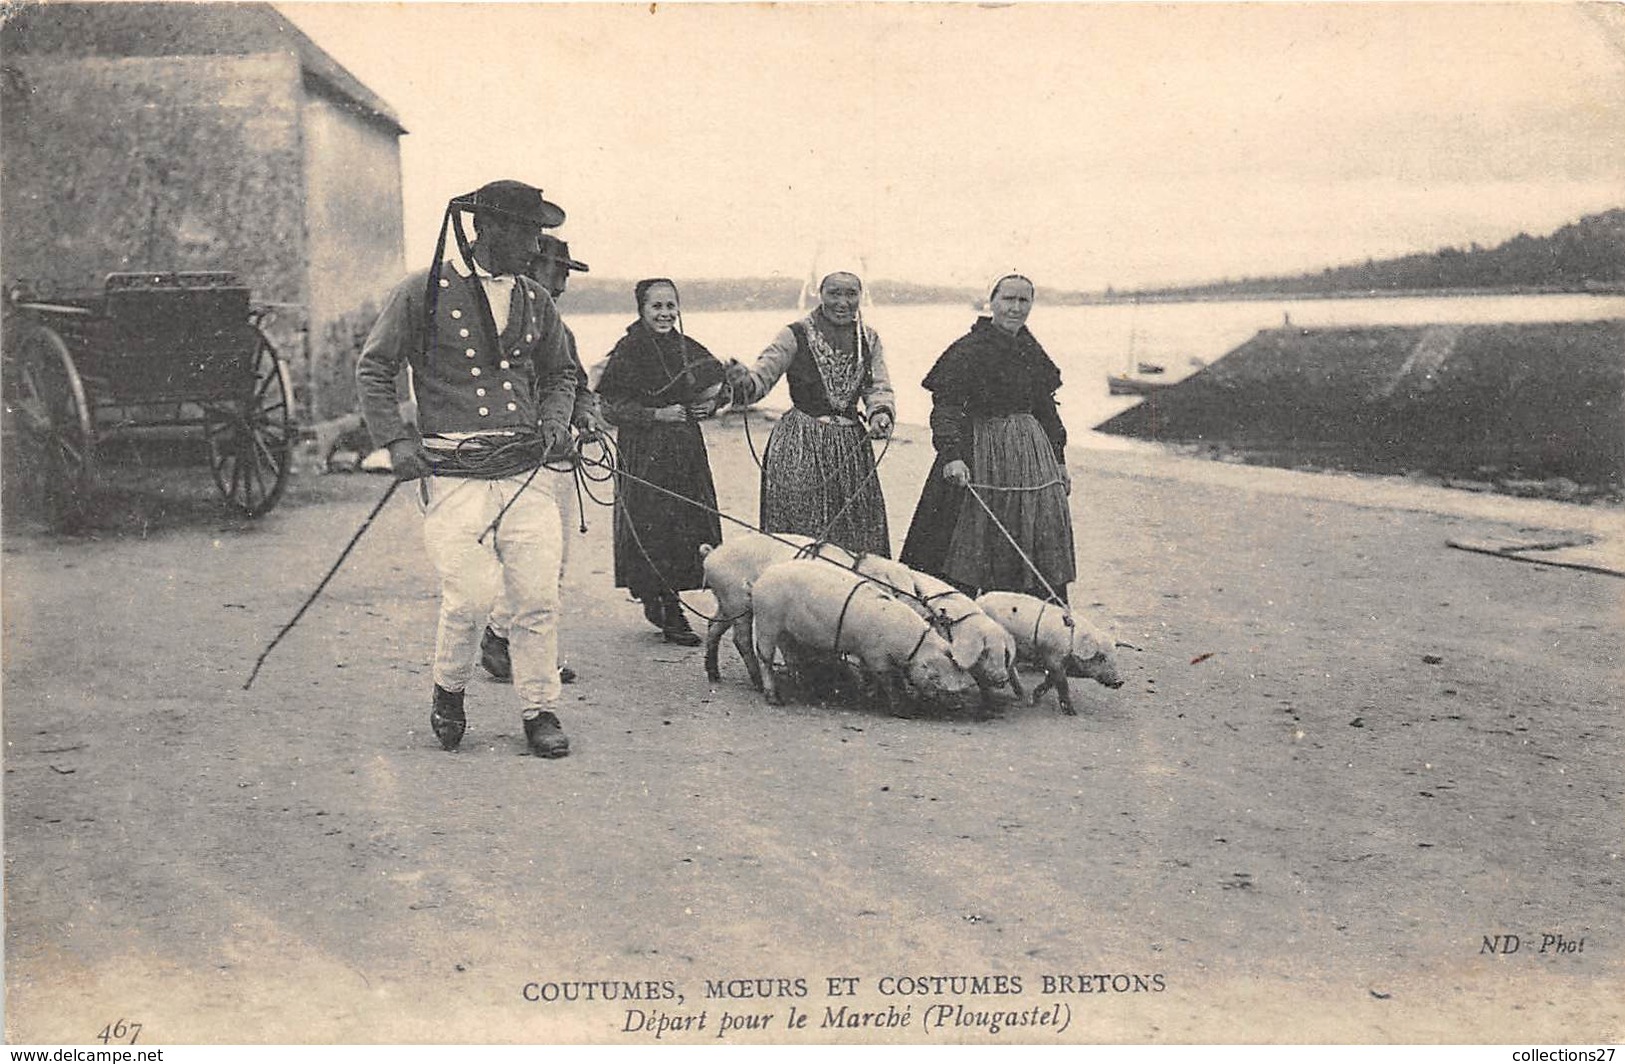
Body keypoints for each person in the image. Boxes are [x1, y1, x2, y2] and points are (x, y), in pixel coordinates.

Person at [356, 179, 577, 758]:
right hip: (452, 472)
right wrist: (397, 443)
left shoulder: (536, 299)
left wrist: (556, 424)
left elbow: (562, 374)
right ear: (489, 230)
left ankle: (539, 709)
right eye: (529, 233)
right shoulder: (421, 292)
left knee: (535, 597)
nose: (536, 247)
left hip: (527, 470)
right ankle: (449, 691)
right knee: (473, 595)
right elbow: (375, 368)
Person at [899, 273, 1076, 600]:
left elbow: (1046, 410)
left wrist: (1060, 461)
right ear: (991, 301)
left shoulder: (1031, 349)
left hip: (1030, 456)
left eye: (1024, 300)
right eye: (1008, 299)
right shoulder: (968, 349)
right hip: (980, 453)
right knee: (967, 537)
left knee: (1034, 533)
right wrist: (951, 455)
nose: (1016, 308)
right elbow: (947, 406)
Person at [480, 235, 607, 685]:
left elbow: (578, 384)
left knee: (550, 562)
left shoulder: (558, 328)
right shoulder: (494, 324)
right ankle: (508, 647)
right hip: (508, 460)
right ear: (532, 268)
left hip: (553, 460)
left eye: (566, 275)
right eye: (559, 273)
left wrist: (586, 416)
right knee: (531, 561)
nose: (564, 286)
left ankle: (504, 641)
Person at [724, 271, 895, 556]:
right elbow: (760, 380)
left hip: (851, 450)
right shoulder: (794, 334)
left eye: (851, 293)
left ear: (860, 296)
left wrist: (881, 414)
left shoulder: (869, 338)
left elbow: (879, 386)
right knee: (801, 536)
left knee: (857, 536)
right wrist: (741, 380)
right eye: (834, 293)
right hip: (800, 445)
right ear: (820, 293)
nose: (843, 302)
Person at [595, 279, 727, 646]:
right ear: (641, 309)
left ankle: (668, 600)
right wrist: (656, 414)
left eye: (671, 306)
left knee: (689, 522)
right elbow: (611, 407)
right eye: (657, 306)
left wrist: (711, 405)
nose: (665, 313)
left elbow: (719, 382)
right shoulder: (629, 350)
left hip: (685, 450)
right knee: (653, 524)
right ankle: (665, 607)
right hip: (644, 453)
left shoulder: (687, 348)